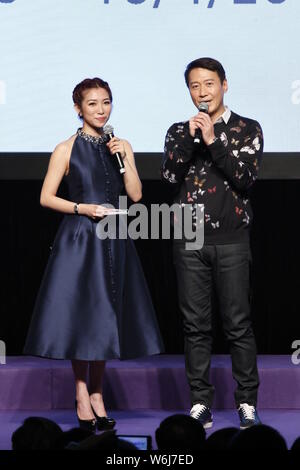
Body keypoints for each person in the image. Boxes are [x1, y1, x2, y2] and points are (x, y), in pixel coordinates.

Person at [24, 77, 164, 433]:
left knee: (107, 316)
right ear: (78, 109)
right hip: (80, 239)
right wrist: (81, 208)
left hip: (115, 236)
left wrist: (125, 158)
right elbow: (46, 197)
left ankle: (99, 392)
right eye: (93, 104)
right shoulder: (65, 148)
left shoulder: (121, 145)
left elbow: (135, 196)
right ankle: (82, 392)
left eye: (106, 103)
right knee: (82, 316)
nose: (101, 110)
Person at [162, 58, 263, 430]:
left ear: (224, 84)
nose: (202, 93)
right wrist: (190, 140)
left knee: (238, 324)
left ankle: (247, 402)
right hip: (189, 238)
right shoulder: (178, 130)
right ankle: (200, 402)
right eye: (194, 86)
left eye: (209, 84)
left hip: (232, 239)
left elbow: (245, 178)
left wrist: (212, 139)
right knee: (195, 326)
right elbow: (170, 177)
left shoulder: (246, 128)